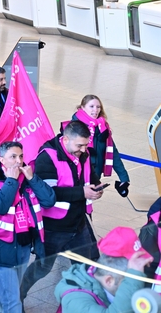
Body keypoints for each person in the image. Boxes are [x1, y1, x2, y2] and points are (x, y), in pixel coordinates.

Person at [20, 120, 107, 303]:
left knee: (85, 267)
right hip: (54, 227)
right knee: (42, 268)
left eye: (85, 145)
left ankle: (80, 302)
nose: (83, 150)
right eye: (79, 145)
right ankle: (18, 296)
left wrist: (96, 186)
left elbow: (89, 175)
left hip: (78, 224)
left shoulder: (81, 154)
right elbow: (48, 194)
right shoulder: (47, 157)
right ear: (65, 139)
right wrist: (82, 192)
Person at [0, 142, 56, 313]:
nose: (19, 161)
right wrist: (11, 181)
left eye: (21, 156)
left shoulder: (27, 177)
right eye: (13, 157)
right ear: (1, 159)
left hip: (23, 243)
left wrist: (32, 178)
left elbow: (49, 200)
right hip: (3, 246)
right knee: (14, 299)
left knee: (9, 289)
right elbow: (0, 206)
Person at [55, 227, 152, 312]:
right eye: (128, 281)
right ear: (109, 281)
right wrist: (134, 279)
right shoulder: (77, 302)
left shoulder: (104, 274)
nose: (136, 284)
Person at [71, 94, 130, 197]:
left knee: (87, 205)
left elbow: (113, 152)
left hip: (95, 175)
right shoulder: (74, 127)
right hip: (78, 176)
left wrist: (124, 178)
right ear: (82, 108)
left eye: (98, 107)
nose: (96, 110)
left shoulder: (102, 128)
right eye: (92, 106)